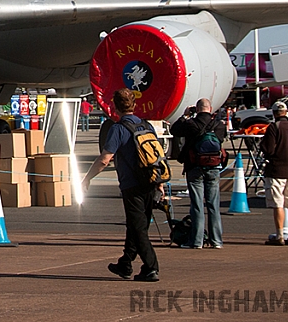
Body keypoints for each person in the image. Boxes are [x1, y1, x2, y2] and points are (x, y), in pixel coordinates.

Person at [82, 88, 162, 282]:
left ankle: (151, 267)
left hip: (132, 184)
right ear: (134, 105)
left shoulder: (118, 129)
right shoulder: (146, 126)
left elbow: (105, 159)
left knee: (138, 228)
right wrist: (159, 184)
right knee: (136, 226)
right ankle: (125, 263)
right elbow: (157, 156)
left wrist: (87, 178)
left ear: (114, 107)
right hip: (151, 182)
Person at [169, 98, 226, 249]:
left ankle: (197, 240)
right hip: (214, 167)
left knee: (197, 204)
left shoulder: (191, 124)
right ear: (211, 108)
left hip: (194, 166)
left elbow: (174, 130)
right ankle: (216, 241)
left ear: (197, 109)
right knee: (213, 204)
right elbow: (221, 139)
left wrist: (186, 115)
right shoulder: (219, 125)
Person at [260, 100, 288, 246]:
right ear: (286, 113)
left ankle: (280, 235)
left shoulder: (274, 127)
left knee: (278, 204)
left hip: (275, 170)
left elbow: (268, 149)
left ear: (275, 113)